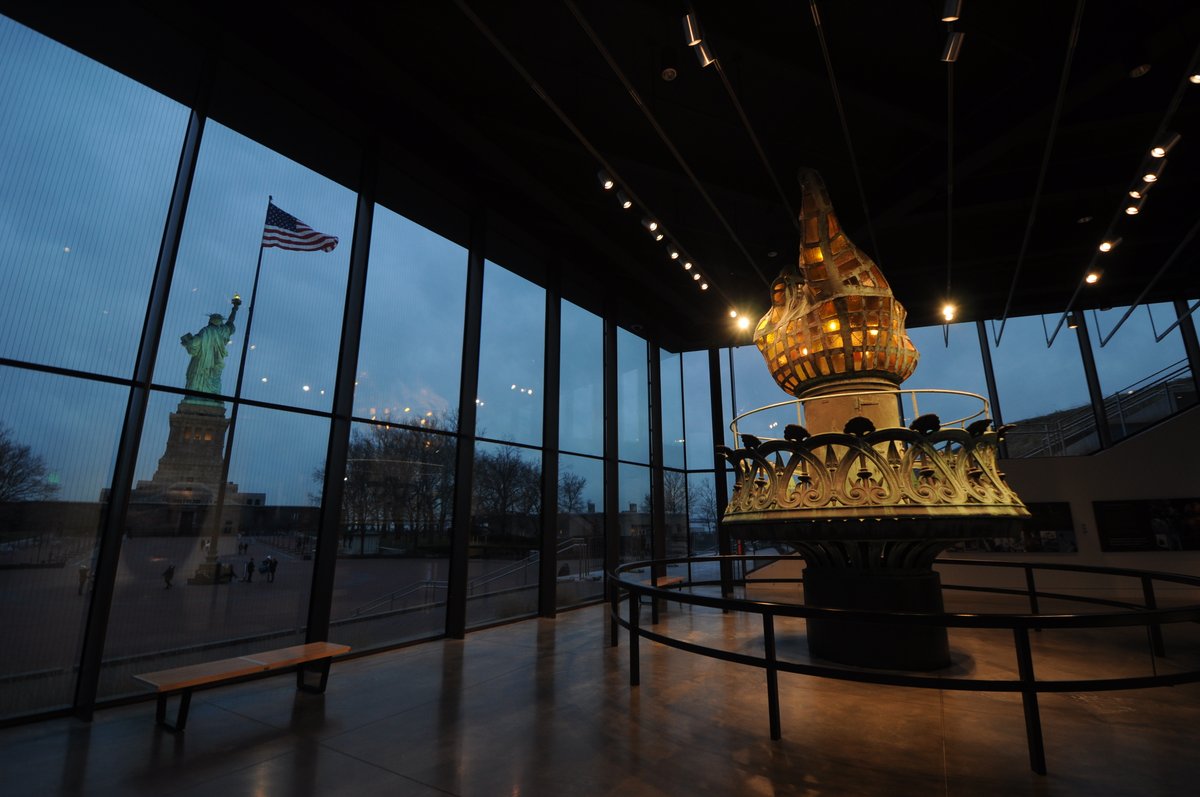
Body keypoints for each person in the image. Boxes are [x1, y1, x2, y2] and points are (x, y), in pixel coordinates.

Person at [180, 295, 240, 400]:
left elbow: (194, 344)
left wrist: (187, 341)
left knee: (197, 379)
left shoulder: (206, 331)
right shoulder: (223, 331)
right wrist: (235, 309)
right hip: (215, 364)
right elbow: (230, 322)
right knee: (214, 380)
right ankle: (211, 397)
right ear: (220, 322)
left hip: (201, 364)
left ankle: (195, 397)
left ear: (210, 321)